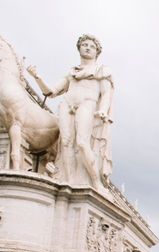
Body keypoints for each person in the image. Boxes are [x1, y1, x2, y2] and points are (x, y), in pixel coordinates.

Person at [27, 34, 114, 188]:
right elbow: (51, 92)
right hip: (67, 104)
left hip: (87, 104)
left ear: (97, 52)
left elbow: (106, 93)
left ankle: (95, 182)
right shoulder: (71, 72)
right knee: (66, 143)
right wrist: (37, 77)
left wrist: (102, 110)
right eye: (85, 45)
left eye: (92, 46)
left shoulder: (101, 70)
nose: (88, 47)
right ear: (79, 48)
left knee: (81, 142)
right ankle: (68, 181)